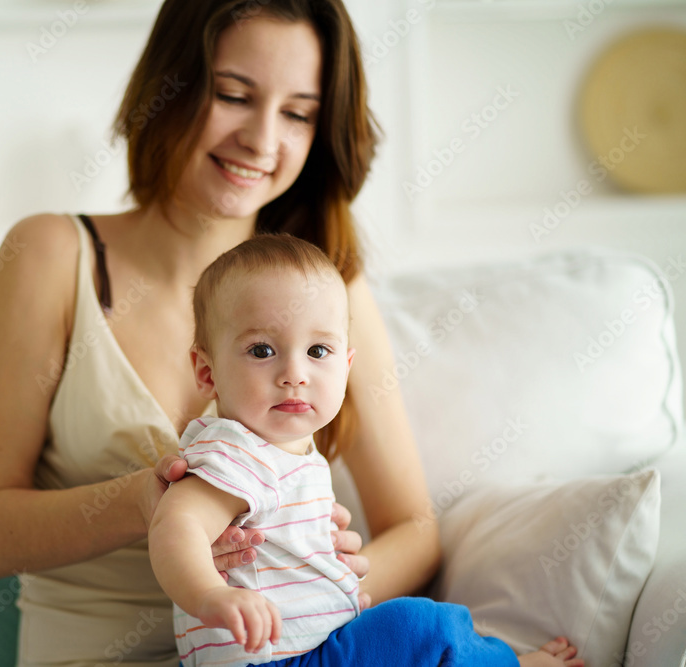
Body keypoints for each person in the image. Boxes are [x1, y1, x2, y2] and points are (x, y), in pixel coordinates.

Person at [0, 0, 584, 665]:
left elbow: (414, 528)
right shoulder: (52, 254)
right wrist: (148, 503)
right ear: (170, 86)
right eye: (233, 95)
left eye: (298, 113)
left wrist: (328, 585)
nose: (261, 140)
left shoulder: (326, 288)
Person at [150, 233, 522, 666]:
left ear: (346, 366)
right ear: (207, 372)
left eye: (317, 351)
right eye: (262, 350)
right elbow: (176, 526)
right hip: (276, 659)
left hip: (309, 648)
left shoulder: (290, 453)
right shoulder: (235, 450)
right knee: (422, 626)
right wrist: (210, 595)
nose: (294, 373)